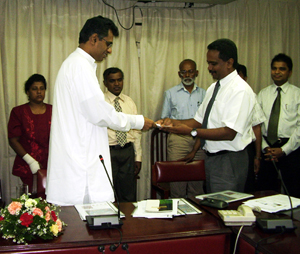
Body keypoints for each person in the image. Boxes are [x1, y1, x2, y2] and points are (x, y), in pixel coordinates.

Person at [46, 16, 154, 206]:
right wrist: (138, 121)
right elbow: (100, 114)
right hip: (81, 167)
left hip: (81, 158)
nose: (110, 50)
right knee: (86, 226)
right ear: (94, 38)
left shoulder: (77, 64)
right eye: (108, 44)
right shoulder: (79, 66)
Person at [157, 39, 256, 193]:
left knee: (226, 210)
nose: (209, 68)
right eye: (208, 63)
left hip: (229, 160)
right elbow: (198, 120)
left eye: (213, 64)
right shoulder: (214, 87)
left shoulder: (240, 90)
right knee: (213, 206)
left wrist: (190, 132)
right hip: (211, 158)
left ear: (229, 63)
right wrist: (173, 123)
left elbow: (229, 133)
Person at [256, 53, 300, 198]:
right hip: (267, 148)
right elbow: (257, 125)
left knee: (293, 193)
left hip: (291, 149)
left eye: (282, 69)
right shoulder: (263, 94)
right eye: (274, 68)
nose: (277, 72)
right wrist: (264, 147)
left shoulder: (297, 94)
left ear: (290, 72)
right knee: (265, 192)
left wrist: (284, 150)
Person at [161, 59, 206, 198]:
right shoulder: (170, 93)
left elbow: (206, 122)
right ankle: (178, 217)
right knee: (177, 185)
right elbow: (164, 121)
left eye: (190, 71)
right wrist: (170, 124)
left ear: (196, 73)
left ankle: (197, 218)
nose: (187, 75)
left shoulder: (205, 94)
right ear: (179, 74)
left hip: (199, 140)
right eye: (184, 72)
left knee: (197, 186)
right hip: (178, 141)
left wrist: (178, 123)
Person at [8, 74, 52, 193]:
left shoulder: (53, 111)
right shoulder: (18, 112)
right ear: (27, 92)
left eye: (42, 88)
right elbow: (13, 139)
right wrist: (31, 161)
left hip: (51, 164)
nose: (39, 92)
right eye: (34, 88)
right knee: (32, 202)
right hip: (28, 163)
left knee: (51, 201)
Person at [103, 67, 142, 202]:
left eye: (119, 80)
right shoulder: (101, 102)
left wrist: (138, 157)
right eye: (112, 81)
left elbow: (136, 131)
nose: (117, 84)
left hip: (127, 151)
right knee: (108, 193)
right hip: (108, 151)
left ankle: (130, 221)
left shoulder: (129, 102)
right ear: (105, 83)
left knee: (128, 193)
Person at [237, 64, 266, 192]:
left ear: (245, 78)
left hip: (246, 149)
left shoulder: (250, 96)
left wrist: (257, 156)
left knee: (246, 188)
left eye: (240, 76)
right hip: (226, 151)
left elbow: (257, 128)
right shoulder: (221, 95)